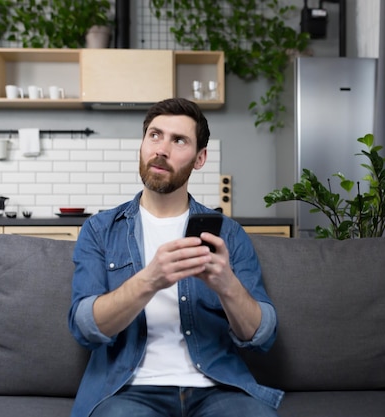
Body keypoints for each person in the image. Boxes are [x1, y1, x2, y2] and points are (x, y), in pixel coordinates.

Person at [68, 97, 283, 417]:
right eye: (154, 135)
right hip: (129, 391)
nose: (162, 149)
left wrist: (227, 285)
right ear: (142, 144)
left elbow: (263, 335)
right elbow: (85, 327)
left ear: (200, 158)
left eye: (178, 140)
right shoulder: (100, 230)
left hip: (217, 389)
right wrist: (150, 279)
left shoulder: (229, 234)